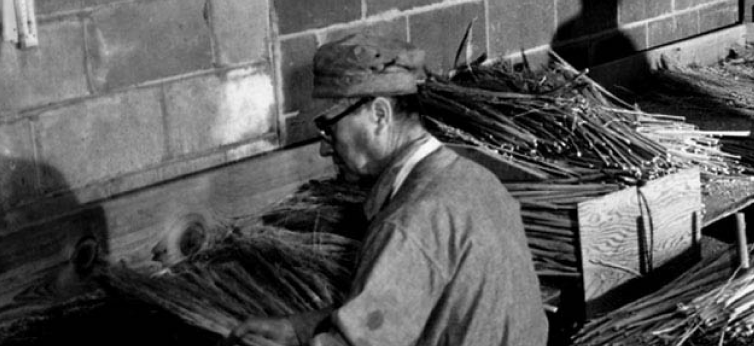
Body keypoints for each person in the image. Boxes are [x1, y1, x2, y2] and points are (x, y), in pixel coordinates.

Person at [228, 34, 549, 346]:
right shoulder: (476, 180)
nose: (326, 150)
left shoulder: (410, 223)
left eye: (330, 127)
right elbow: (410, 310)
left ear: (380, 115)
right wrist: (298, 329)